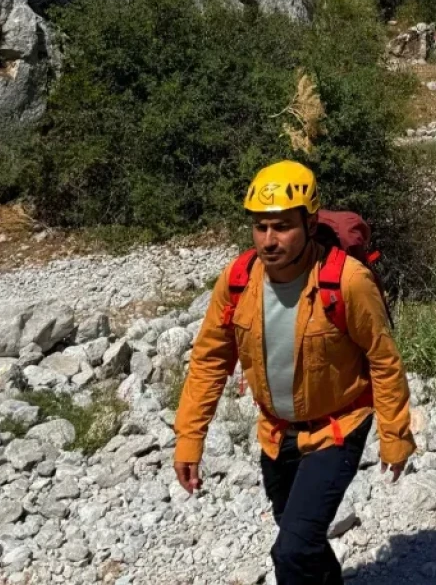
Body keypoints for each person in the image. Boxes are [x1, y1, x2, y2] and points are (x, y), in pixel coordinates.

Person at [174, 161, 414, 585]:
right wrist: (190, 439)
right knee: (298, 536)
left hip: (338, 427)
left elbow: (383, 359)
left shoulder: (347, 281)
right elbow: (210, 360)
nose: (269, 240)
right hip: (275, 432)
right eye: (261, 227)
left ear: (309, 222)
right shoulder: (237, 280)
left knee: (291, 550)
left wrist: (394, 437)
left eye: (282, 227)